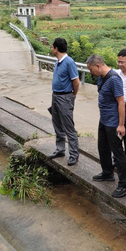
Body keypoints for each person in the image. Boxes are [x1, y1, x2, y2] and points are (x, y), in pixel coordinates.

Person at [86, 55, 126, 198]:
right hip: (104, 119)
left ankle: (124, 184)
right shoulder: (101, 77)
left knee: (118, 153)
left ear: (98, 66)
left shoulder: (114, 79)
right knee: (102, 147)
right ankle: (107, 172)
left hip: (113, 122)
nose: (91, 73)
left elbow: (121, 102)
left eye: (91, 69)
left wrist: (121, 125)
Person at [48, 37, 80, 166]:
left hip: (65, 97)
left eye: (52, 47)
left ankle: (73, 155)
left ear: (56, 48)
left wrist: (73, 96)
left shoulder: (69, 62)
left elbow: (76, 81)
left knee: (68, 127)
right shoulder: (58, 61)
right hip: (55, 96)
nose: (51, 49)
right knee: (57, 124)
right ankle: (60, 149)